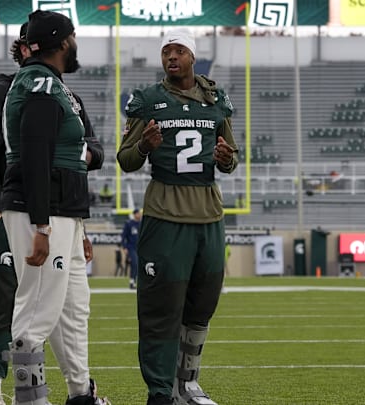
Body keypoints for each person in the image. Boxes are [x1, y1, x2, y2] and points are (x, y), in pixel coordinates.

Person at [0, 20, 105, 405]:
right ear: (60, 43)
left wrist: (77, 227)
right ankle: (29, 397)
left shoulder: (53, 86)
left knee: (73, 310)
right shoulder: (40, 86)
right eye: (73, 38)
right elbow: (34, 153)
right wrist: (42, 223)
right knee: (38, 309)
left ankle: (81, 392)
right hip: (45, 209)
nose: (75, 44)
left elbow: (76, 153)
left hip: (66, 210)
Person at [116, 28, 238, 405]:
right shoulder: (148, 101)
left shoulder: (216, 99)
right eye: (166, 52)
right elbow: (125, 160)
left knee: (202, 305)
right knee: (160, 309)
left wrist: (226, 159)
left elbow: (232, 156)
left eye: (178, 51)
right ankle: (159, 391)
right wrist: (144, 145)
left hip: (208, 212)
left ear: (192, 57)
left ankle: (188, 384)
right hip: (165, 212)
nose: (171, 57)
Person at [121, 209, 142, 289]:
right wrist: (125, 247)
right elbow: (123, 236)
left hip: (140, 248)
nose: (140, 215)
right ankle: (132, 282)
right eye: (138, 213)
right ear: (135, 214)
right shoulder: (129, 224)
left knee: (139, 265)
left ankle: (136, 282)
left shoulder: (141, 224)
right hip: (131, 247)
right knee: (134, 264)